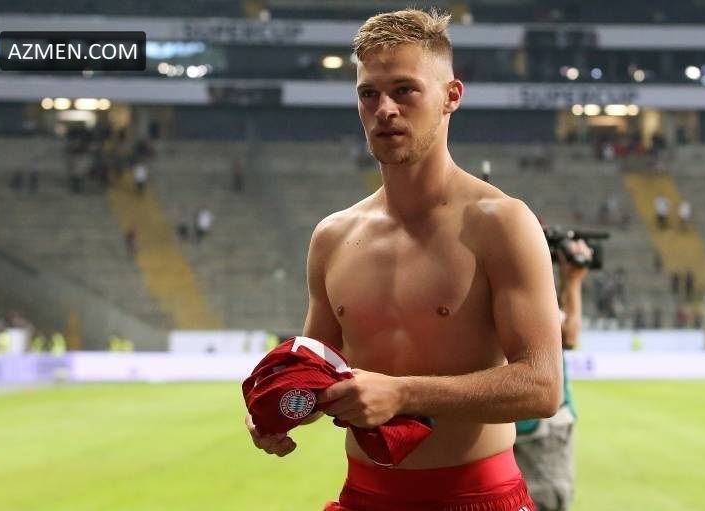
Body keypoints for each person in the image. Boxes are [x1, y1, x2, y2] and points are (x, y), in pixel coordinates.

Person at [245, 9, 563, 511]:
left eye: (404, 90)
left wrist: (403, 394)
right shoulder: (333, 237)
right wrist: (281, 407)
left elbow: (541, 387)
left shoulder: (501, 224)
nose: (385, 109)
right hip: (363, 497)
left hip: (477, 498)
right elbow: (319, 373)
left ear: (451, 96)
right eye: (368, 94)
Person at [514, 238, 592, 511]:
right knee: (546, 499)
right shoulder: (519, 285)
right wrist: (573, 280)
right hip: (537, 428)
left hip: (501, 426)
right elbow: (568, 335)